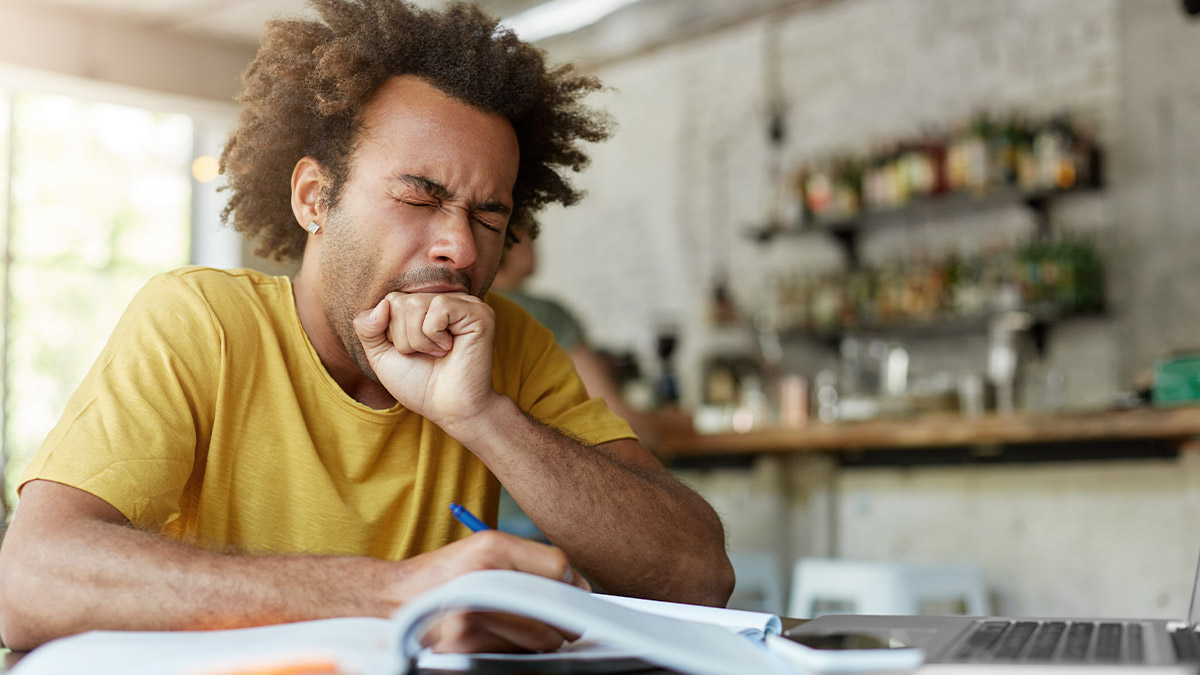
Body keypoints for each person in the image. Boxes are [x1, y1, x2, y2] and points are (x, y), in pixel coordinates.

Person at [0, 0, 733, 653]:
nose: (462, 248)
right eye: (419, 199)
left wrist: (482, 416)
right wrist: (397, 594)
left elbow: (697, 576)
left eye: (489, 216)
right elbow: (28, 583)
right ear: (314, 198)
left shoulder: (507, 345)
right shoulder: (202, 321)